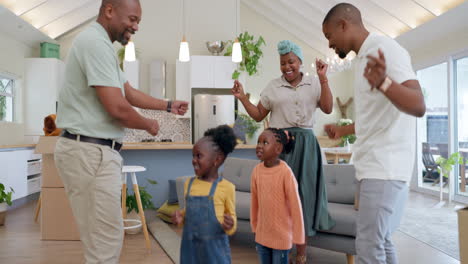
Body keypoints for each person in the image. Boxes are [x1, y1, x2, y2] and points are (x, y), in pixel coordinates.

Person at [54, 0, 188, 263]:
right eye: (132, 19)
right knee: (105, 243)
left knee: (103, 240)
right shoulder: (94, 43)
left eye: (138, 21)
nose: (136, 26)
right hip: (89, 152)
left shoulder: (103, 47)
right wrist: (148, 125)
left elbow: (128, 92)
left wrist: (168, 105)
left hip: (93, 151)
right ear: (109, 10)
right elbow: (117, 106)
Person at [322, 3, 426, 264]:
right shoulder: (362, 59)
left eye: (329, 36)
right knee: (381, 240)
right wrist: (343, 129)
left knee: (368, 245)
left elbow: (418, 104)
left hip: (385, 165)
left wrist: (384, 83)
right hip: (370, 164)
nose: (330, 44)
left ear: (343, 25)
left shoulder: (385, 48)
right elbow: (373, 117)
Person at [232, 40, 335, 263]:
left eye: (291, 62)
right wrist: (242, 98)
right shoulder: (272, 87)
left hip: (307, 146)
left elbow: (327, 108)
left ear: (300, 62)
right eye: (282, 63)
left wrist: (323, 78)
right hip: (280, 145)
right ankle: (280, 247)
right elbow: (259, 115)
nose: (287, 66)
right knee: (279, 198)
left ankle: (301, 252)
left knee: (303, 197)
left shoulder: (314, 83)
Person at [172, 125, 238, 264]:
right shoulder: (189, 184)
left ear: (217, 159)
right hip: (190, 251)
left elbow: (231, 218)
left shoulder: (227, 188)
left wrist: (230, 225)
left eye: (199, 156)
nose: (194, 160)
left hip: (214, 252)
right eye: (193, 156)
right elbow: (189, 213)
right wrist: (180, 218)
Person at [251, 128, 305, 264]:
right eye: (258, 142)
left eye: (265, 142)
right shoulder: (256, 171)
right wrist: (255, 226)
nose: (259, 146)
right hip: (262, 236)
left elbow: (295, 206)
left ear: (278, 148)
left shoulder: (286, 173)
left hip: (281, 238)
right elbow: (254, 202)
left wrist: (298, 236)